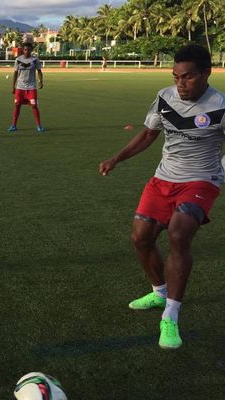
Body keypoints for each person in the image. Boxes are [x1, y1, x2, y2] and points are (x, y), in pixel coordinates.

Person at [99, 44, 225, 350]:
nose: (180, 83)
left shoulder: (220, 106)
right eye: (176, 76)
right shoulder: (164, 97)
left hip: (200, 180)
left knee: (179, 235)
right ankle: (158, 292)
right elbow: (147, 135)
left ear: (206, 73)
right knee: (141, 238)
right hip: (163, 178)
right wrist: (116, 159)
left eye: (188, 77)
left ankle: (170, 315)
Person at [8, 42, 44, 133]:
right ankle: (13, 125)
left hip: (31, 87)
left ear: (31, 50)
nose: (27, 51)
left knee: (34, 106)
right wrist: (13, 86)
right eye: (25, 49)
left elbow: (39, 71)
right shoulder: (18, 60)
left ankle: (39, 126)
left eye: (28, 49)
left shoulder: (35, 60)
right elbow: (15, 73)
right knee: (17, 105)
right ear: (23, 50)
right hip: (20, 88)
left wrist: (40, 81)